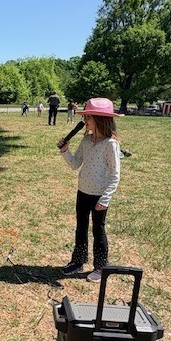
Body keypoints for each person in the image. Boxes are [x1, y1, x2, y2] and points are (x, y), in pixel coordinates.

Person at [57, 98, 122, 283]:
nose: (85, 119)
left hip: (99, 196)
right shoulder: (86, 140)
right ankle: (78, 261)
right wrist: (65, 152)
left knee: (98, 230)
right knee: (81, 228)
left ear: (100, 119)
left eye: (88, 116)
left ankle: (101, 267)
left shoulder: (111, 144)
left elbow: (115, 175)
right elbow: (75, 164)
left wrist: (105, 198)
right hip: (83, 191)